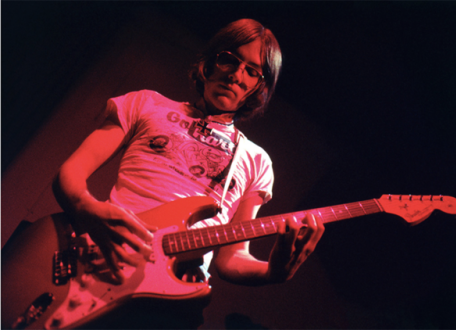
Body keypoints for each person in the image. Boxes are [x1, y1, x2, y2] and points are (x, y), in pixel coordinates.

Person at [53, 18, 324, 328]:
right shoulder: (146, 104)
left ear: (257, 88)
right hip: (100, 263)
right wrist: (85, 208)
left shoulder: (255, 161)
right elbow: (70, 172)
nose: (236, 75)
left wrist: (271, 272)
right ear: (210, 61)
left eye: (251, 71)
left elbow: (231, 258)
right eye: (229, 59)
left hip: (167, 300)